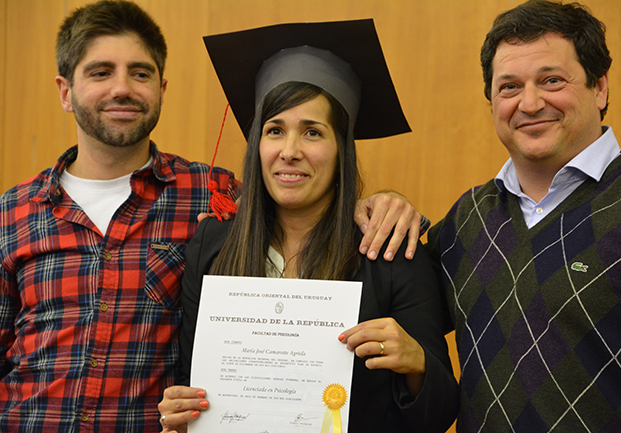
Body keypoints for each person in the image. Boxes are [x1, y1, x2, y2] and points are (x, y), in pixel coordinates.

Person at [0, 1, 421, 431]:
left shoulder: (211, 193)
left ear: (162, 88)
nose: (122, 88)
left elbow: (298, 193)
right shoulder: (11, 214)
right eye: (100, 72)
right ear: (65, 91)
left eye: (140, 73)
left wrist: (380, 204)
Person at [158, 19, 459, 433]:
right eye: (275, 130)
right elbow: (193, 382)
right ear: (257, 145)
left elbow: (439, 415)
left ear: (341, 150)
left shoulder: (389, 251)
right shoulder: (212, 245)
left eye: (313, 132)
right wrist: (180, 411)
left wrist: (417, 363)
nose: (290, 151)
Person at [426, 0, 621, 432]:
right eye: (509, 87)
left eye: (551, 80)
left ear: (600, 87)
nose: (529, 103)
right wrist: (381, 205)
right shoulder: (465, 221)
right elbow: (399, 316)